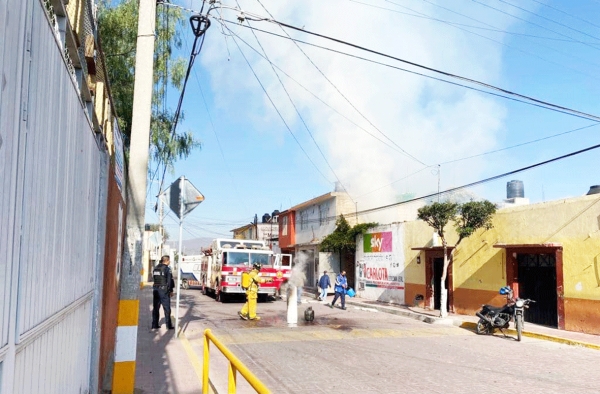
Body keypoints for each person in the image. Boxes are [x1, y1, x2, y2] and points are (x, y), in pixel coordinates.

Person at [152, 255, 174, 329]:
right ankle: (168, 325)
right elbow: (169, 281)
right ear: (167, 261)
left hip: (155, 290)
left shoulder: (155, 268)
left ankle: (154, 325)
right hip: (163, 291)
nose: (169, 262)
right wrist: (171, 290)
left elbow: (154, 278)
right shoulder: (167, 269)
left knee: (156, 308)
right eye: (169, 260)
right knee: (167, 308)